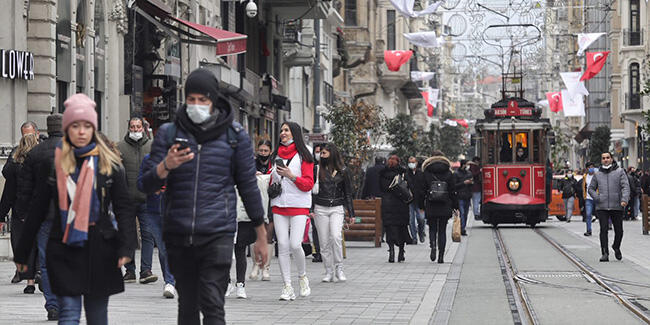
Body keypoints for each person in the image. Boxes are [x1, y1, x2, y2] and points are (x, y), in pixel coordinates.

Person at [141, 68, 268, 323]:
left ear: (213, 101)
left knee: (212, 303)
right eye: (191, 100)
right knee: (187, 305)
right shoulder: (168, 133)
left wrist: (261, 234)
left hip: (217, 231)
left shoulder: (234, 136)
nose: (196, 105)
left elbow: (248, 186)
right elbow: (144, 185)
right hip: (179, 232)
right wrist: (166, 165)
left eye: (203, 100)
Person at [14, 93, 137, 324]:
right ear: (67, 129)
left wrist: (126, 248)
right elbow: (38, 210)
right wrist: (22, 254)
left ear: (94, 128)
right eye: (75, 125)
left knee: (97, 316)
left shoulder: (109, 166)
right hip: (64, 247)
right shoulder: (58, 165)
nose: (81, 131)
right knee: (68, 315)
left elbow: (124, 209)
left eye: (87, 126)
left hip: (100, 247)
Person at [16, 114, 63, 320]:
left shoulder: (35, 153)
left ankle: (52, 304)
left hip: (43, 214)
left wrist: (24, 213)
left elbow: (25, 188)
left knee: (45, 260)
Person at [269, 121, 314, 301]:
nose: (283, 133)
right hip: (279, 204)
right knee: (283, 245)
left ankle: (302, 277)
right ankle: (287, 286)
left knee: (296, 244)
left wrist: (291, 176)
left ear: (294, 133)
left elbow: (308, 184)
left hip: (299, 204)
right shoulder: (276, 154)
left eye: (286, 130)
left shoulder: (305, 155)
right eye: (281, 130)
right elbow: (273, 179)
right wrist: (265, 177)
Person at [0, 121, 39, 285]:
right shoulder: (15, 158)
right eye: (25, 135)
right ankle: (25, 271)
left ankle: (34, 272)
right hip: (22, 209)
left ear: (36, 133)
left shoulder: (40, 154)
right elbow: (9, 186)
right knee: (22, 242)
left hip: (33, 208)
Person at [117, 116, 154, 284]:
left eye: (138, 127)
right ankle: (130, 270)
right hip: (127, 199)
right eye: (133, 127)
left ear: (143, 129)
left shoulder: (151, 147)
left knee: (148, 234)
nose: (135, 130)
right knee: (127, 235)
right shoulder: (120, 147)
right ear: (128, 128)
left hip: (147, 199)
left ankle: (146, 270)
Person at [312, 143, 355, 282]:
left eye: (324, 153)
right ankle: (328, 270)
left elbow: (348, 193)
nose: (321, 155)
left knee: (336, 237)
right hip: (320, 207)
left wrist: (351, 213)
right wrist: (310, 209)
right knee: (323, 242)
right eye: (320, 153)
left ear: (332, 154)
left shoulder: (343, 170)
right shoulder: (317, 169)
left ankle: (339, 267)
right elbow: (310, 192)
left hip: (337, 207)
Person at [136, 154, 176, 298]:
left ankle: (170, 282)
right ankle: (169, 279)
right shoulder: (149, 159)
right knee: (163, 247)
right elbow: (140, 183)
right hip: (154, 210)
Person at [588, 152, 630, 262]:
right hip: (602, 206)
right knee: (603, 230)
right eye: (603, 158)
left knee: (619, 231)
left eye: (607, 158)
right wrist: (597, 197)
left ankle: (616, 246)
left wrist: (624, 199)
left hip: (617, 205)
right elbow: (591, 188)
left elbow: (625, 186)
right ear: (601, 160)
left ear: (611, 159)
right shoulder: (597, 174)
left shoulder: (620, 171)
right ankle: (604, 253)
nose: (605, 160)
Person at [420, 151, 457, 263]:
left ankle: (433, 246)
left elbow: (421, 190)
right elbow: (452, 190)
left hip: (431, 204)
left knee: (432, 228)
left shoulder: (426, 172)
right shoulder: (449, 172)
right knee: (442, 230)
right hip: (445, 204)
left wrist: (421, 205)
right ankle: (441, 255)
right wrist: (455, 206)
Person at [379, 155, 411, 263]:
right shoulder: (403, 173)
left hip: (387, 204)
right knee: (401, 229)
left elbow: (381, 188)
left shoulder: (382, 174)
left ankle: (391, 252)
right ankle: (401, 252)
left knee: (389, 229)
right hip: (401, 204)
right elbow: (409, 187)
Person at [250, 139, 274, 282]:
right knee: (255, 236)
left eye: (266, 151)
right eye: (261, 151)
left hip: (271, 202)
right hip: (257, 202)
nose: (263, 153)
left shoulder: (275, 164)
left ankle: (266, 267)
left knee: (268, 235)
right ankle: (255, 264)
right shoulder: (251, 164)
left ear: (270, 152)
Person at [406, 156, 426, 243]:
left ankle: (421, 232)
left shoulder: (421, 173)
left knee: (421, 219)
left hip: (420, 200)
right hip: (410, 200)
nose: (411, 164)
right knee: (411, 220)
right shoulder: (406, 174)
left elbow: (424, 186)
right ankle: (414, 238)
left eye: (413, 162)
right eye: (410, 162)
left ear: (416, 163)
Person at [310, 144, 323, 263]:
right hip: (314, 199)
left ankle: (325, 252)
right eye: (317, 152)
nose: (318, 154)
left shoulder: (330, 169)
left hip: (326, 199)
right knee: (315, 228)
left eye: (321, 152)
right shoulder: (312, 167)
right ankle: (318, 252)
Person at [454, 159, 473, 236]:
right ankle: (462, 229)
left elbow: (472, 183)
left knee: (465, 214)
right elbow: (454, 186)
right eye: (467, 164)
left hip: (467, 196)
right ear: (463, 165)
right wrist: (464, 183)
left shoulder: (469, 173)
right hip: (460, 196)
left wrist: (471, 182)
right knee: (462, 213)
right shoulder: (456, 174)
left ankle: (463, 227)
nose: (468, 166)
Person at [580, 163, 596, 236]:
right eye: (589, 167)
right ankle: (589, 230)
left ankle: (607, 226)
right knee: (588, 214)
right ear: (586, 169)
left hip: (597, 198)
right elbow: (584, 187)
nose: (591, 168)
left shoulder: (597, 176)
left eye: (592, 167)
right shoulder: (585, 177)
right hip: (588, 198)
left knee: (602, 214)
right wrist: (584, 196)